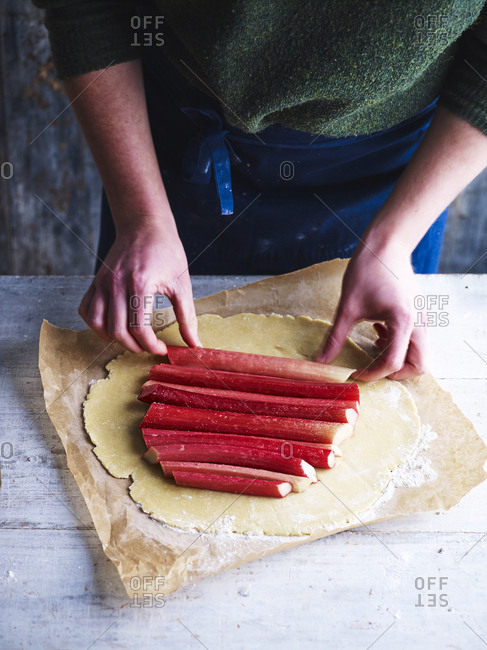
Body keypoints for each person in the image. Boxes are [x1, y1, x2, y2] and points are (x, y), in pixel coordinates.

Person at [34, 1, 487, 380]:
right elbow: (85, 6)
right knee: (136, 364)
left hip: (397, 173)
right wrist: (141, 217)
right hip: (165, 146)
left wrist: (395, 241)